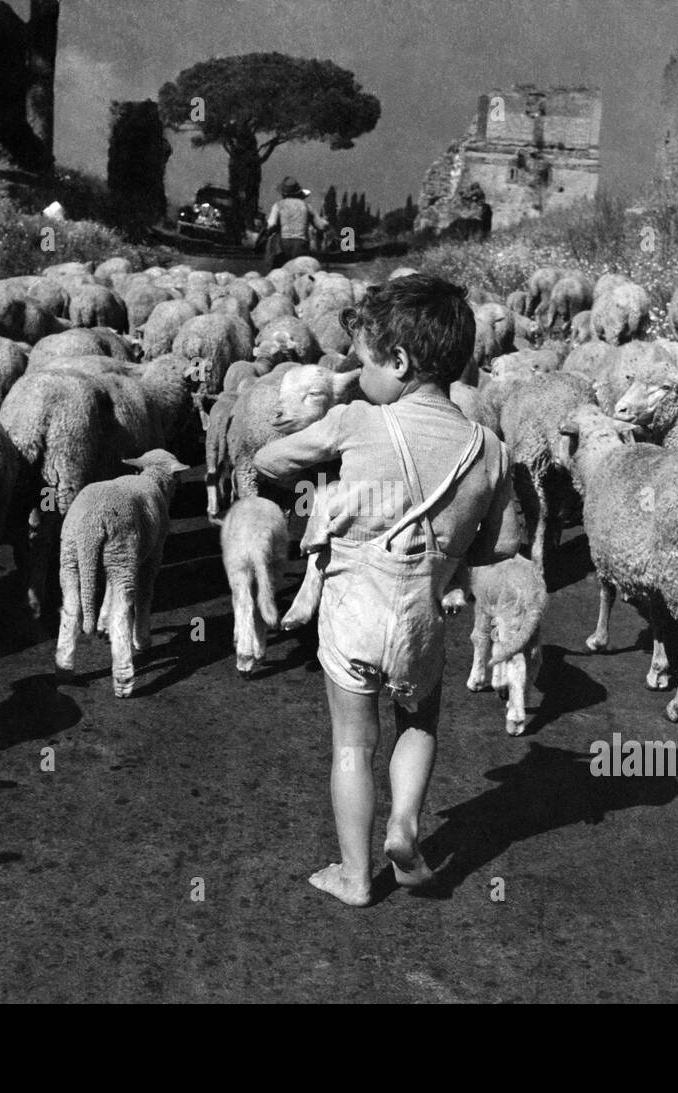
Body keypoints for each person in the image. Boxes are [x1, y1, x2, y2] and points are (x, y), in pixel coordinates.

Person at [252, 275, 519, 906]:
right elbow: (497, 547)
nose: (353, 371)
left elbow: (269, 461)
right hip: (422, 618)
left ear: (397, 363)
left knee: (352, 741)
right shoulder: (492, 450)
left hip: (352, 611)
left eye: (363, 360)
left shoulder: (354, 420)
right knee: (419, 722)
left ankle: (353, 875)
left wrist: (327, 463)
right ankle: (404, 824)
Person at [265, 177, 328, 269]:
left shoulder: (278, 205)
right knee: (299, 269)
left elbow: (271, 224)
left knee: (282, 270)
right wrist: (326, 225)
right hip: (301, 243)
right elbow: (321, 226)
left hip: (283, 243)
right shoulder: (307, 206)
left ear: (283, 193)